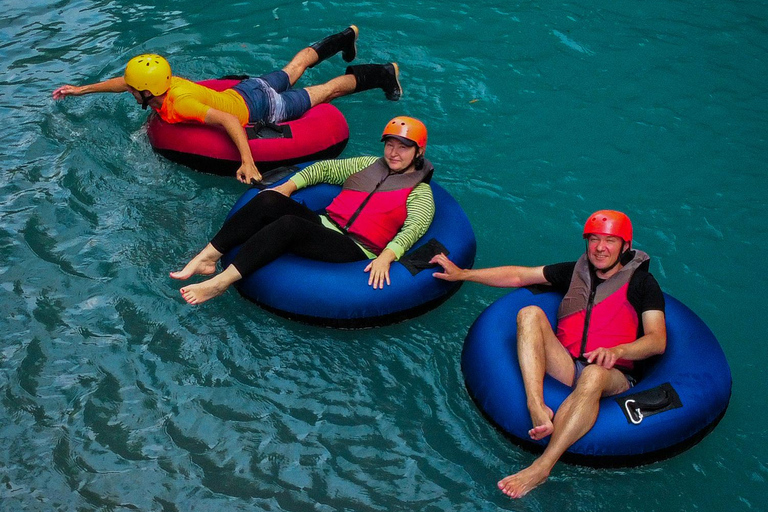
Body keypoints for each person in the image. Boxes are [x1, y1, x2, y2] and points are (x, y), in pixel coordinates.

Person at [431, 210, 667, 498]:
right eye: (594, 239)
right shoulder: (574, 272)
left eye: (609, 241)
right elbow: (520, 276)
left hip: (614, 374)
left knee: (593, 373)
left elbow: (657, 340)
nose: (600, 248)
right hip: (568, 365)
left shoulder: (644, 285)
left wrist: (618, 350)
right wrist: (463, 274)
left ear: (625, 246)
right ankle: (536, 405)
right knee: (529, 313)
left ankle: (542, 467)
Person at [52, 25, 402, 184]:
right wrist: (80, 89)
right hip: (248, 89)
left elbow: (229, 123)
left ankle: (384, 73)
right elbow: (122, 82)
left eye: (134, 91)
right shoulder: (162, 81)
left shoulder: (182, 103)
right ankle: (345, 37)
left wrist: (248, 164)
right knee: (293, 68)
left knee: (325, 92)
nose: (129, 92)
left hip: (264, 109)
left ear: (148, 93)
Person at [171, 116, 434, 304]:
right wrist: (286, 187)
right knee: (268, 200)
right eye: (390, 144)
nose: (393, 152)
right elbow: (324, 169)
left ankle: (220, 283)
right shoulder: (367, 164)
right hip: (325, 222)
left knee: (289, 225)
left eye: (403, 147)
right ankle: (208, 257)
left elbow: (414, 229)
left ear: (418, 151)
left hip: (356, 247)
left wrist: (387, 256)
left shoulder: (420, 193)